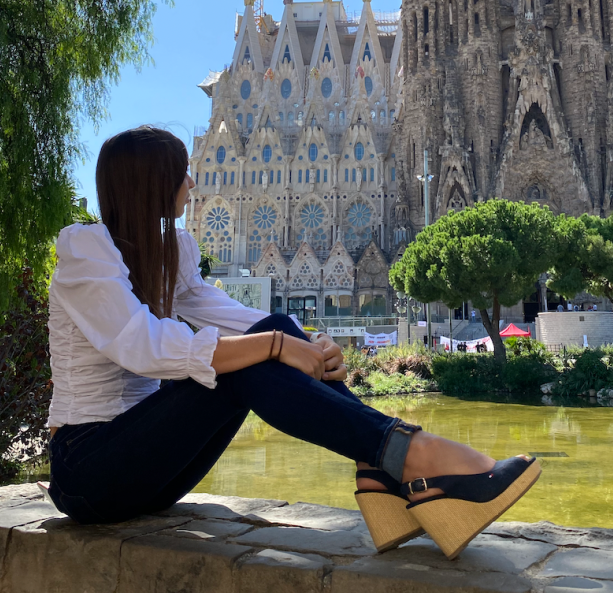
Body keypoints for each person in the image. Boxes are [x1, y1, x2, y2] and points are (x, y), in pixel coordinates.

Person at [46, 127, 540, 561]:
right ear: (150, 184)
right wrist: (278, 347)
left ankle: (382, 467)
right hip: (88, 470)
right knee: (253, 355)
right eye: (182, 173)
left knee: (272, 328)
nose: (192, 184)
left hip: (152, 473)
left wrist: (307, 344)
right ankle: (406, 455)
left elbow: (240, 318)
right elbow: (143, 346)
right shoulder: (86, 250)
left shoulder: (172, 253)